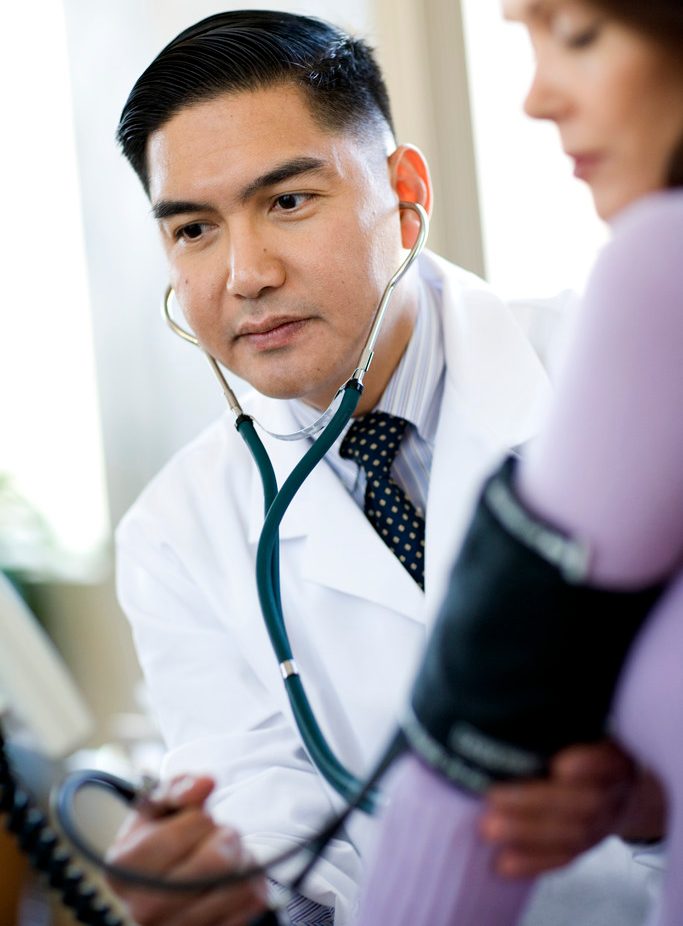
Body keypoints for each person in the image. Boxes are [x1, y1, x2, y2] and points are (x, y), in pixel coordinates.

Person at [108, 10, 653, 926]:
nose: (245, 273)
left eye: (287, 201)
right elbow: (277, 845)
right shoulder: (174, 536)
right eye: (194, 229)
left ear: (402, 192)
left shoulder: (617, 374)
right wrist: (223, 891)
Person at [355, 1, 683, 924]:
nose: (536, 97)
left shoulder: (658, 272)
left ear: (403, 195)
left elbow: (476, 753)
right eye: (188, 230)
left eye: (577, 34)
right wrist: (649, 802)